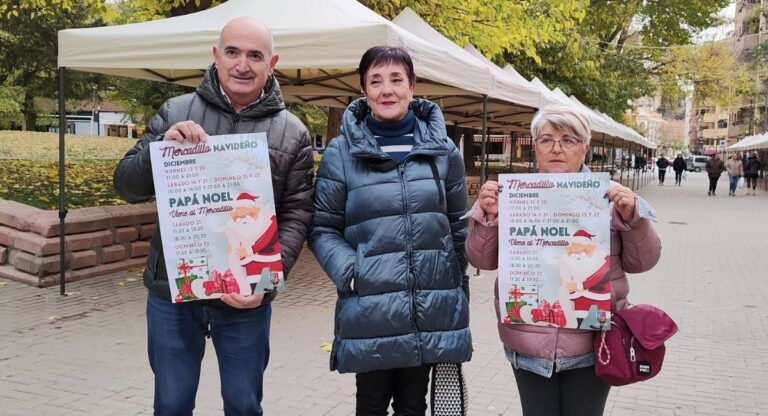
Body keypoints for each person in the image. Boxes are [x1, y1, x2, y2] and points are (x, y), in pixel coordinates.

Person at [113, 17, 314, 415]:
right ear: (216, 56)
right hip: (175, 291)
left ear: (271, 63)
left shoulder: (293, 132)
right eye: (233, 52)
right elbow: (126, 186)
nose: (243, 64)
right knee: (171, 405)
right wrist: (160, 153)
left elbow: (297, 214)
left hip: (245, 298)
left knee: (243, 404)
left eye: (255, 55)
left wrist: (267, 280)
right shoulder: (176, 111)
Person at [465, 105, 661, 416]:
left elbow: (643, 263)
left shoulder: (609, 197)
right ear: (535, 146)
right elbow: (481, 260)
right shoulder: (514, 196)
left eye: (568, 140)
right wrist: (487, 216)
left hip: (592, 344)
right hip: (528, 341)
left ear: (585, 148)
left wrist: (634, 218)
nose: (557, 149)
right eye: (546, 140)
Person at [309, 46, 471, 415]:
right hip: (372, 305)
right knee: (371, 403)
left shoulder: (443, 152)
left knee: (414, 404)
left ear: (412, 86)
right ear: (364, 90)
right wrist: (353, 272)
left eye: (396, 80)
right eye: (376, 81)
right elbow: (322, 228)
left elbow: (458, 224)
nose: (387, 90)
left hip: (428, 303)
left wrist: (451, 272)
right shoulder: (341, 153)